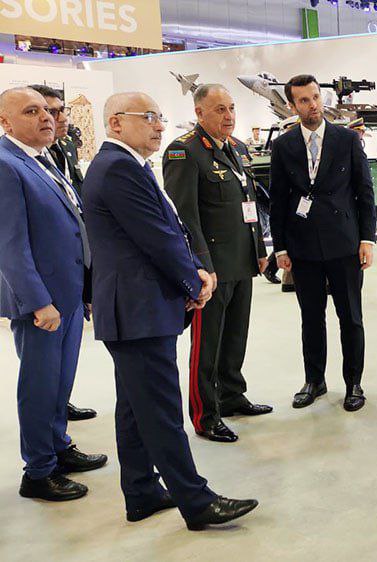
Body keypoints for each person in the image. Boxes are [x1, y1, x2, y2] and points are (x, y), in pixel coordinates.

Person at [83, 92, 257, 529]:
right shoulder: (119, 168)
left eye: (160, 117)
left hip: (136, 308)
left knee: (135, 406)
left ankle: (141, 490)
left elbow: (169, 228)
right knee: (160, 408)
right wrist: (193, 282)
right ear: (116, 122)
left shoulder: (128, 165)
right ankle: (196, 502)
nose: (160, 126)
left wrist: (192, 271)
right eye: (149, 117)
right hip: (138, 309)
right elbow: (157, 237)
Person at [0, 87, 107, 502]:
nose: (46, 117)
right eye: (32, 111)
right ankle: (39, 470)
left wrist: (87, 287)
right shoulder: (7, 165)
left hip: (69, 294)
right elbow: (10, 245)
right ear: (6, 122)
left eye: (46, 110)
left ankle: (58, 446)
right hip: (42, 303)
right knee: (40, 385)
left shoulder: (43, 159)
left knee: (61, 381)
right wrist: (38, 302)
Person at [163, 85, 272, 444]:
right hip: (211, 269)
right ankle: (205, 414)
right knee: (206, 346)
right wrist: (201, 266)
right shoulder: (184, 151)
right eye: (220, 109)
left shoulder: (237, 148)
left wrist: (258, 249)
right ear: (199, 113)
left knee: (235, 336)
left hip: (241, 260)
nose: (229, 116)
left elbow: (248, 204)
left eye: (231, 108)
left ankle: (231, 395)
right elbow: (185, 217)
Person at [269, 74, 375, 412]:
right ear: (292, 105)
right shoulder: (283, 146)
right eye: (304, 100)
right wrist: (280, 247)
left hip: (344, 243)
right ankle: (314, 380)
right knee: (311, 317)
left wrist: (367, 239)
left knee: (350, 317)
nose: (312, 105)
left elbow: (364, 192)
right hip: (303, 246)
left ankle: (354, 382)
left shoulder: (347, 140)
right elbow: (278, 200)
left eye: (315, 97)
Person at [28, 84, 98, 422]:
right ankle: (48, 434)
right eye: (48, 111)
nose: (58, 118)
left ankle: (61, 406)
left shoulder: (63, 148)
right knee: (42, 369)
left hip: (73, 272)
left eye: (60, 110)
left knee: (65, 359)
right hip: (46, 280)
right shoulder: (21, 162)